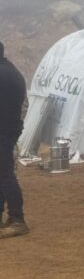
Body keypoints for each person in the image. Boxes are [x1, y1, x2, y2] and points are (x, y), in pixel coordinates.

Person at [0, 41, 28, 238]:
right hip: (9, 129)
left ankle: (18, 220)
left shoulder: (3, 74)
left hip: (4, 131)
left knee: (5, 174)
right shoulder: (9, 69)